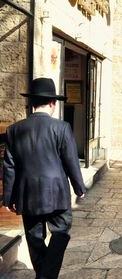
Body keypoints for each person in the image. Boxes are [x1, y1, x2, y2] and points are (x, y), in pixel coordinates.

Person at [2, 77, 86, 279]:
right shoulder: (62, 128)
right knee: (61, 231)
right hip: (57, 193)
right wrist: (79, 188)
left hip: (27, 194)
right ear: (52, 103)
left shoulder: (14, 130)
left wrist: (8, 198)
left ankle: (44, 276)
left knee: (34, 239)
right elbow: (71, 161)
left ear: (31, 103)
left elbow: (9, 167)